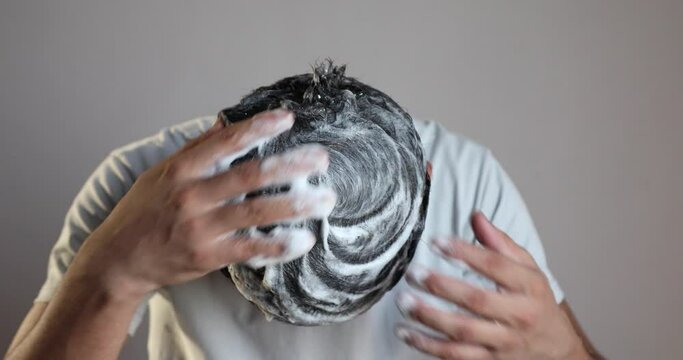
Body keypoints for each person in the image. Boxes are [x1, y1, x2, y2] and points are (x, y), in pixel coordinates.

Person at [5, 65, 603, 359]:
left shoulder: (471, 186)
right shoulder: (142, 187)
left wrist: (564, 353)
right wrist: (113, 272)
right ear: (217, 146)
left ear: (425, 179)